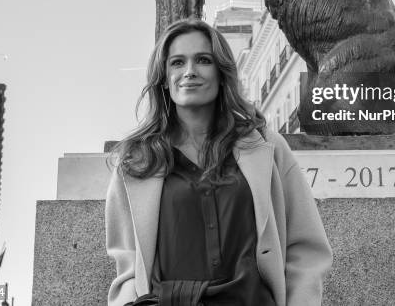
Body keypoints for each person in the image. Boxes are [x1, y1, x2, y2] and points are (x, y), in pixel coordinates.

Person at [106, 18, 332, 306]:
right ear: (164, 77)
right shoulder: (136, 161)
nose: (189, 72)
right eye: (177, 62)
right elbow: (126, 262)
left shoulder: (267, 147)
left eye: (203, 60)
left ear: (221, 71)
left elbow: (305, 246)